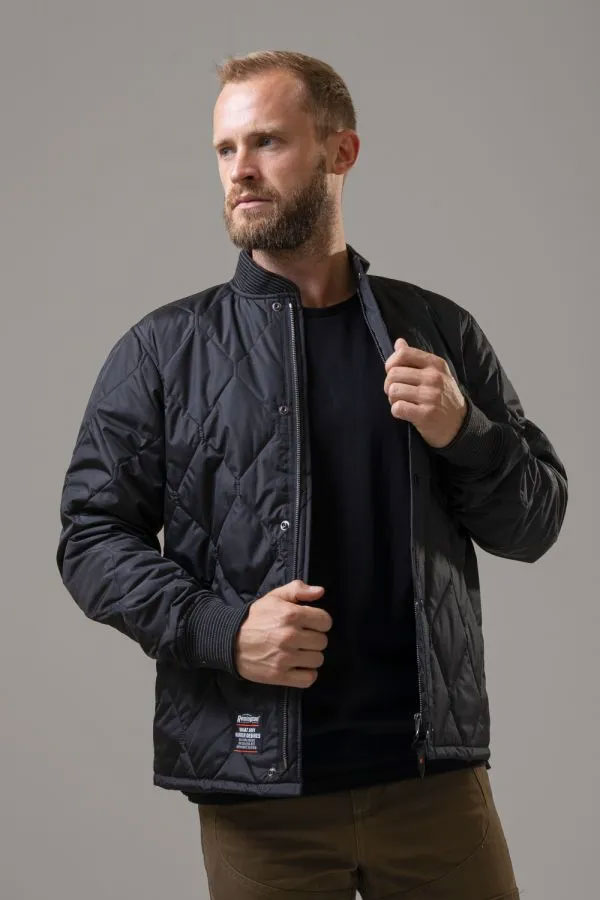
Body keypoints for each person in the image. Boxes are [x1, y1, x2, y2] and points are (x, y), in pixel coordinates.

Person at [56, 49, 568, 899]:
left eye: (267, 142)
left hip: (432, 784)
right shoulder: (162, 350)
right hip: (260, 797)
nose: (240, 171)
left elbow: (535, 524)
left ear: (341, 151)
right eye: (226, 149)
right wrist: (223, 630)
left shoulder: (436, 330)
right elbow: (89, 539)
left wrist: (464, 431)